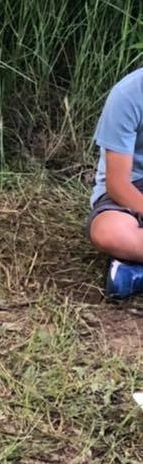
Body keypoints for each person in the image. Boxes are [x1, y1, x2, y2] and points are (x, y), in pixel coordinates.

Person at [88, 68, 143, 298]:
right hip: (132, 186)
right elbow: (118, 185)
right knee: (109, 232)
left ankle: (133, 272)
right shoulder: (128, 94)